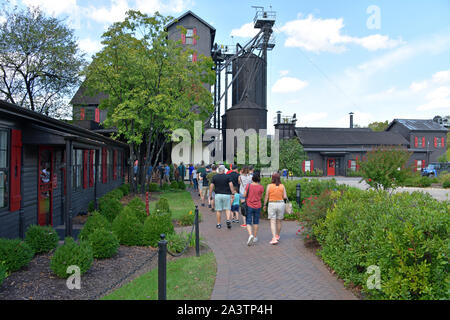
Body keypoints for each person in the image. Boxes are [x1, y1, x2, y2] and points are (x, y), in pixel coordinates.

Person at [263, 172, 288, 245]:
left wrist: (264, 205)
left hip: (272, 204)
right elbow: (285, 197)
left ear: (272, 178)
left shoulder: (269, 186)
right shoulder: (282, 186)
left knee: (273, 221)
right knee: (279, 221)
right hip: (281, 204)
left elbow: (266, 196)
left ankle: (274, 238)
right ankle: (277, 235)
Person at [209, 165, 236, 229]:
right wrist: (232, 193)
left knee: (218, 210)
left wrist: (210, 195)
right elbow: (231, 185)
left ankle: (218, 224)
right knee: (227, 208)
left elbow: (211, 186)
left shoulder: (214, 177)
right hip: (226, 195)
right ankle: (228, 220)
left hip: (218, 195)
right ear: (224, 170)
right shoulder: (228, 177)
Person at [243, 172, 264, 246]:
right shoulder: (261, 187)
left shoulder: (248, 186)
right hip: (258, 205)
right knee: (256, 222)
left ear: (252, 179)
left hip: (249, 205)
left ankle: (250, 235)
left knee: (248, 221)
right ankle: (255, 237)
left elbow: (244, 195)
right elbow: (261, 197)